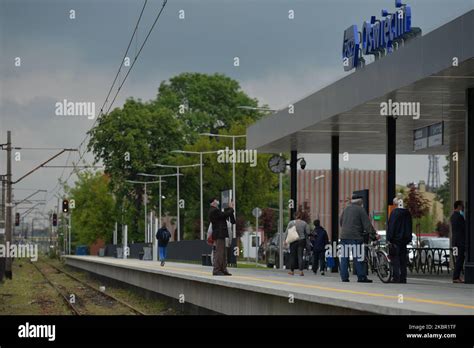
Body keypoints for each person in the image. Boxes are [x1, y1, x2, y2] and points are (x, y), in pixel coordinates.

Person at [339, 194, 376, 283]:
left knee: (344, 257)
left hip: (344, 236)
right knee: (358, 257)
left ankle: (344, 277)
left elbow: (341, 221)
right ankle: (361, 277)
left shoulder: (345, 209)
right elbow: (367, 224)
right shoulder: (360, 210)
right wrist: (373, 234)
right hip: (355, 236)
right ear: (360, 202)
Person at [387, 197, 412, 283]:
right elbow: (410, 227)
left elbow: (391, 227)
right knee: (403, 259)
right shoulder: (407, 213)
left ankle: (396, 277)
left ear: (395, 204)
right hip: (404, 240)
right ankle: (403, 278)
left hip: (395, 240)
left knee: (395, 259)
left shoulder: (394, 213)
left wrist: (389, 238)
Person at [208, 197, 235, 276]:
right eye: (216, 200)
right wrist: (231, 208)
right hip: (219, 234)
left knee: (223, 253)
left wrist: (229, 209)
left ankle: (223, 269)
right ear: (213, 202)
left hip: (221, 234)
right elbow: (224, 215)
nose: (217, 202)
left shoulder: (215, 211)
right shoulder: (213, 210)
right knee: (219, 253)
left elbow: (224, 215)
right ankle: (216, 270)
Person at [284, 210, 311, 276]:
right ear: (300, 217)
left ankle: (292, 271)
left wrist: (285, 240)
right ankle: (301, 271)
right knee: (300, 256)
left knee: (292, 256)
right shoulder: (304, 223)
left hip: (293, 241)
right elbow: (308, 232)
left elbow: (287, 232)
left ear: (295, 216)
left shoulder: (291, 223)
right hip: (301, 240)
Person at [451, 200, 466, 283]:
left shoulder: (453, 216)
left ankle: (457, 277)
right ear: (459, 206)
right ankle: (456, 277)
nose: (462, 207)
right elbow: (464, 228)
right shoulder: (459, 217)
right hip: (460, 242)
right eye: (462, 206)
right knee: (460, 259)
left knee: (457, 259)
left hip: (455, 242)